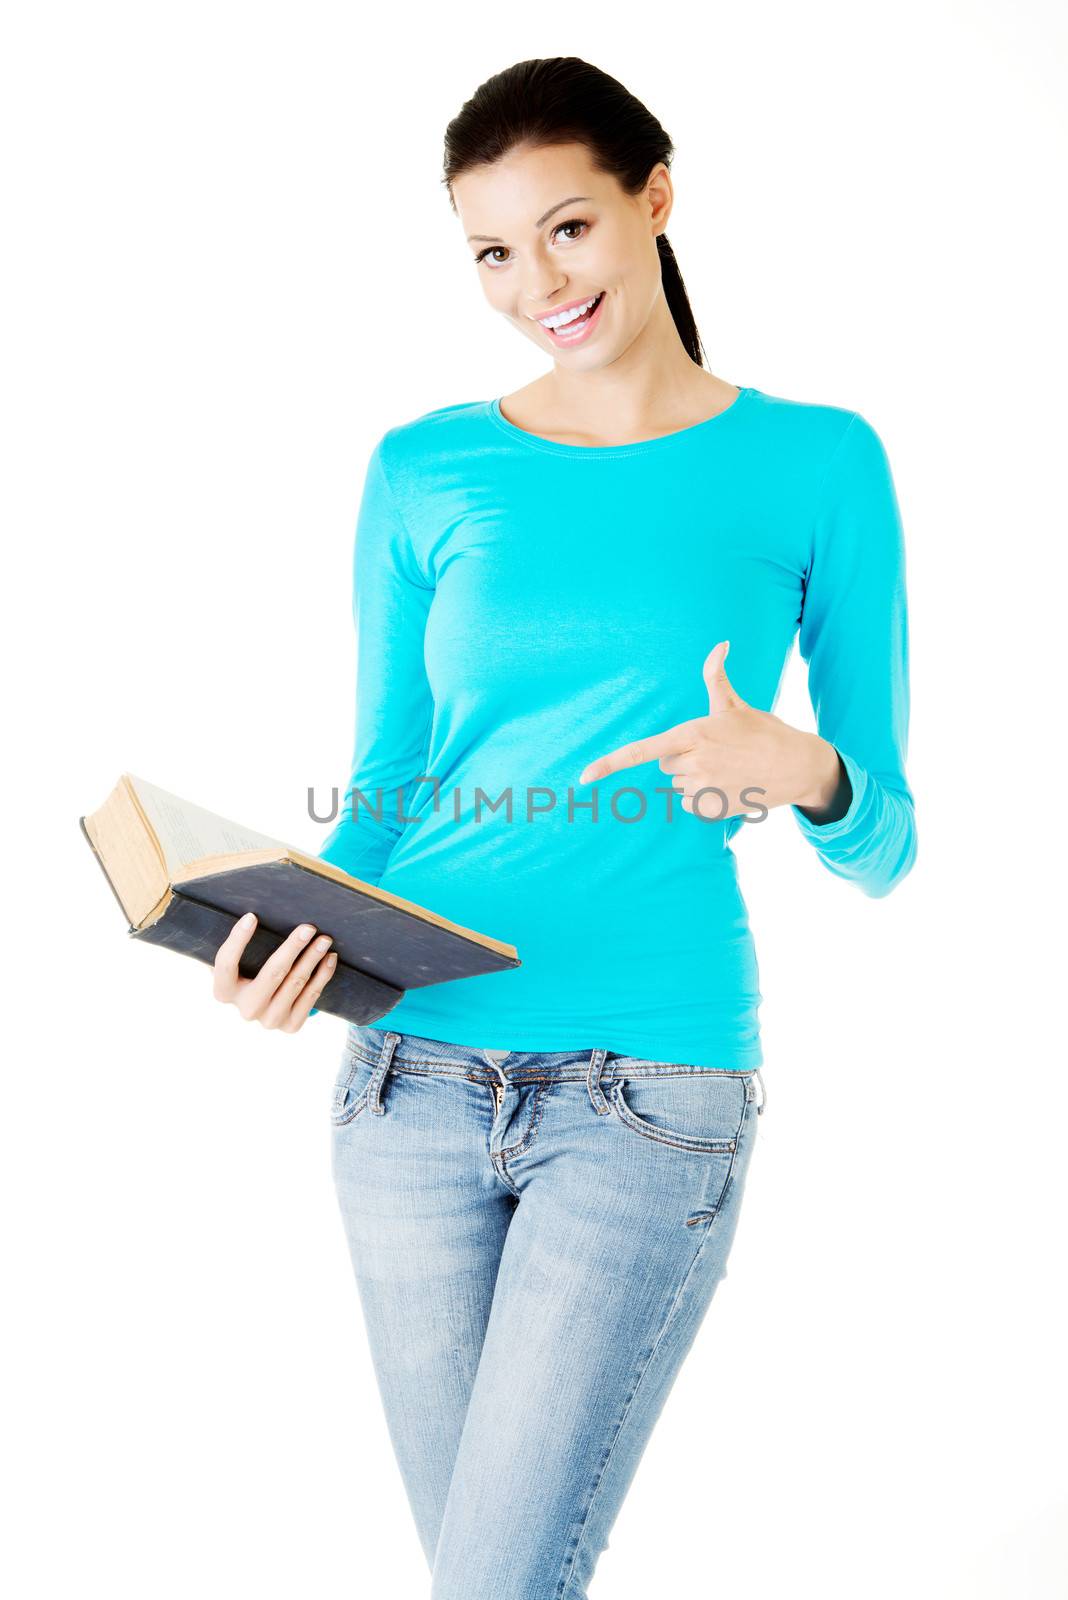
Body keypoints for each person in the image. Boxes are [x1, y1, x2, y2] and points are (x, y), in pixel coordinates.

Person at [213, 56, 917, 1599]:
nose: (538, 283)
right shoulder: (424, 468)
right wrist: (295, 937)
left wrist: (797, 767)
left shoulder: (818, 461)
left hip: (649, 1092)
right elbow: (390, 777)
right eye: (492, 253)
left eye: (571, 229)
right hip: (403, 1087)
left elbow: (888, 837)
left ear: (656, 199)